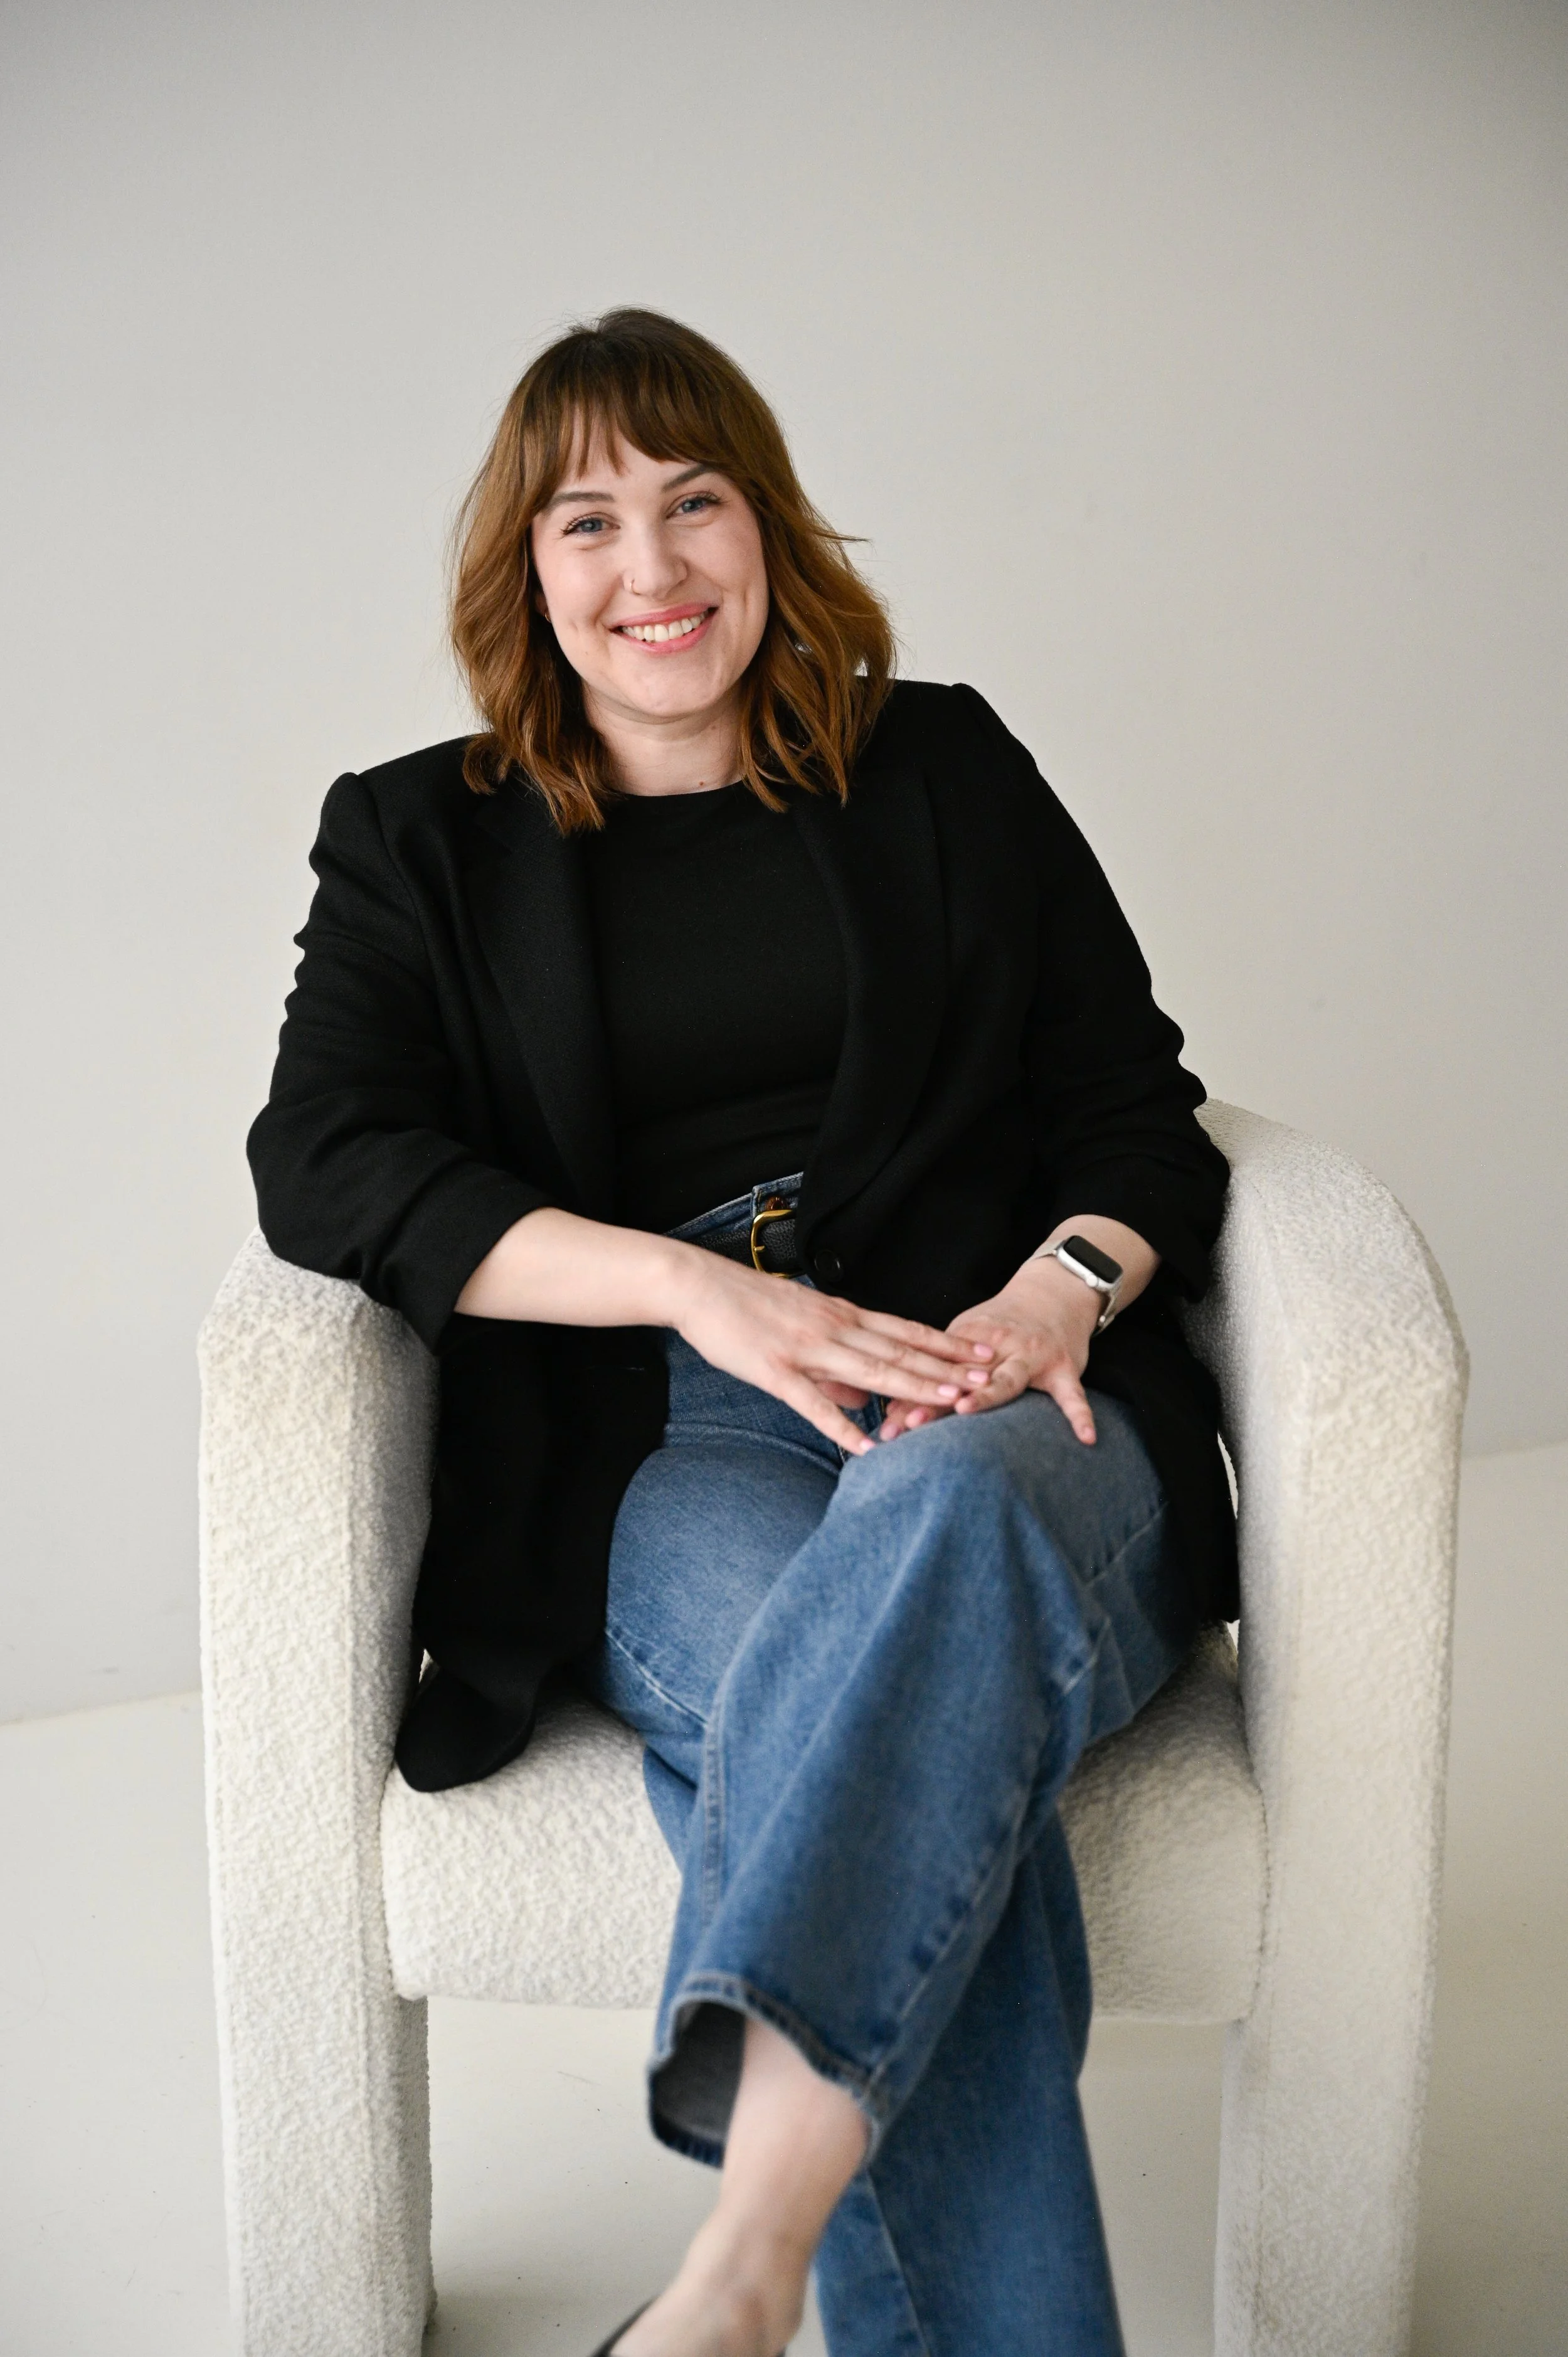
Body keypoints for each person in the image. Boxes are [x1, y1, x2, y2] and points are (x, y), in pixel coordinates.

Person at [249, 308, 1237, 2357]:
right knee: (871, 1699)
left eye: (696, 502)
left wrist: (1054, 1284)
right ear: (524, 573)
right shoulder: (416, 838)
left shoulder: (944, 766)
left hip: (998, 1375)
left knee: (941, 1538)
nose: (652, 567)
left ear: (766, 529)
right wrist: (692, 1279)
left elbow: (1139, 1107)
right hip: (664, 1422)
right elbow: (323, 1158)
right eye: (586, 520)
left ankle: (737, 2265)